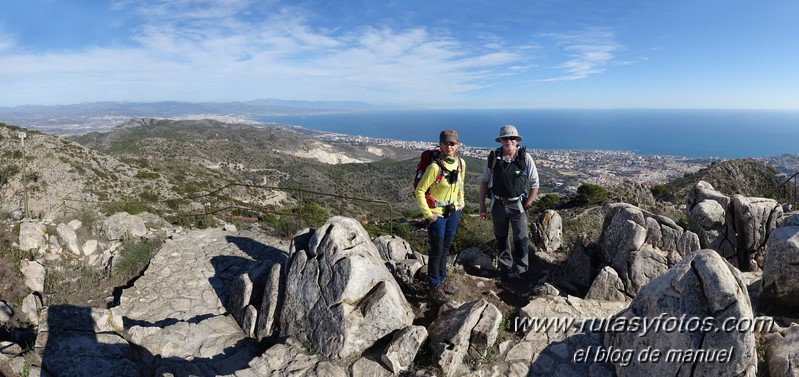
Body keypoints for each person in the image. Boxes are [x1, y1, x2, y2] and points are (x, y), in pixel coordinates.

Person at [479, 125, 539, 285]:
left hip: (518, 205)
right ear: (501, 140)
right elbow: (485, 181)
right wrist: (482, 206)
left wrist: (528, 203)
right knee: (501, 238)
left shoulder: (525, 158)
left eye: (512, 138)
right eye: (505, 138)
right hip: (497, 204)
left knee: (521, 240)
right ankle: (505, 268)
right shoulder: (494, 157)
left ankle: (522, 271)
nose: (508, 141)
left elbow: (535, 184)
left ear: (516, 140)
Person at [415, 129, 465, 305]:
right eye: (445, 143)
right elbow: (419, 191)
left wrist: (461, 205)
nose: (449, 146)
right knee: (436, 250)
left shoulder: (460, 163)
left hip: (453, 213)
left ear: (457, 144)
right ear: (440, 145)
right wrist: (428, 214)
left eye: (452, 143)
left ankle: (442, 280)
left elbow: (460, 186)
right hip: (437, 215)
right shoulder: (435, 167)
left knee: (445, 249)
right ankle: (434, 286)